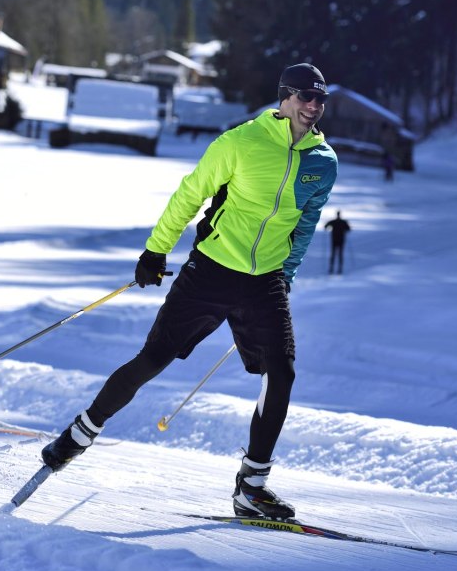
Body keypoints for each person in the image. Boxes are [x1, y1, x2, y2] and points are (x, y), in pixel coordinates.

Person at [41, 64, 338, 520]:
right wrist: (155, 251)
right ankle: (81, 432)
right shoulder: (240, 142)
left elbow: (306, 222)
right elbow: (190, 194)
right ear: (284, 97)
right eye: (305, 96)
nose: (313, 107)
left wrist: (287, 273)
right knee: (153, 358)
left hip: (266, 282)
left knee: (282, 372)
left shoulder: (323, 162)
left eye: (320, 99)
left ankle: (252, 487)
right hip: (212, 272)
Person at [324, 210, 351, 275]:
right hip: (341, 240)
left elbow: (326, 226)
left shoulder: (333, 221)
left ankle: (331, 269)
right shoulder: (343, 222)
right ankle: (339, 269)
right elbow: (348, 229)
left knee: (333, 254)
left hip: (334, 240)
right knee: (340, 254)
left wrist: (327, 228)